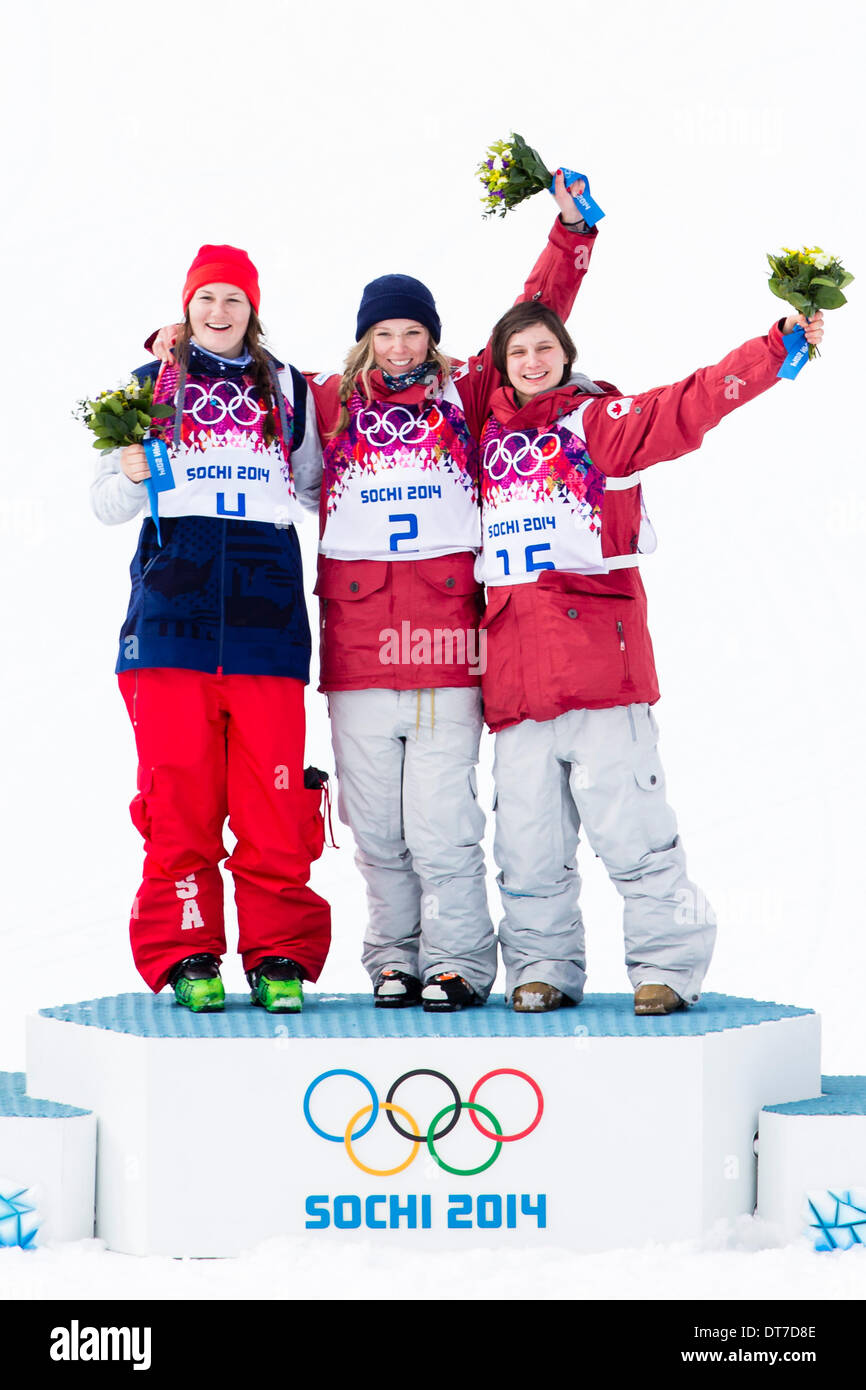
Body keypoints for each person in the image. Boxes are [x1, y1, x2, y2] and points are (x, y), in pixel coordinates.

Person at [148, 173, 597, 1011]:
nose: (399, 348)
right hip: (356, 653)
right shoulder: (326, 402)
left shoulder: (467, 400)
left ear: (433, 340)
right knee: (376, 833)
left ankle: (457, 961)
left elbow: (528, 327)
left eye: (413, 333)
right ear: (367, 340)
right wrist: (180, 343)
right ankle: (392, 959)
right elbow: (241, 373)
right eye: (384, 333)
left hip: (441, 647)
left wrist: (570, 237)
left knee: (443, 825)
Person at [476, 298, 825, 1012]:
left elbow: (685, 405)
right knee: (527, 845)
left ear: (565, 355)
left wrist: (769, 351)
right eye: (519, 354)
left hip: (600, 674)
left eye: (545, 348)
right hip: (515, 684)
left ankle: (666, 966)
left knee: (633, 835)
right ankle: (542, 967)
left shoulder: (598, 424)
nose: (534, 362)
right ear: (502, 365)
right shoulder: (483, 436)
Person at [91, 244, 331, 1014]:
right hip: (169, 626)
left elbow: (319, 488)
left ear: (251, 309)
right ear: (187, 306)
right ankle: (189, 950)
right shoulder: (145, 386)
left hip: (267, 625)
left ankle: (278, 955)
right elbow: (104, 504)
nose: (219, 313)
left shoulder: (287, 388)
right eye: (206, 300)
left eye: (233, 300)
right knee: (178, 797)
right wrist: (126, 473)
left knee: (273, 800)